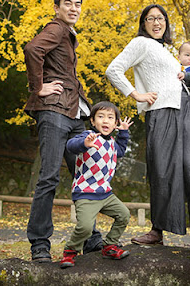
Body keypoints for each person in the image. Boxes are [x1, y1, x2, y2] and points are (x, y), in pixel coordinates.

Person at [105, 4, 190, 258]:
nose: (156, 22)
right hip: (160, 112)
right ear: (143, 23)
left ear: (166, 23)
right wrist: (137, 95)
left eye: (160, 18)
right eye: (150, 19)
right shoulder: (140, 43)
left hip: (186, 109)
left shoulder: (166, 50)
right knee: (161, 169)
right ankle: (158, 231)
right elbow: (113, 69)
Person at [23, 0, 102, 263]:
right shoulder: (56, 28)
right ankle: (40, 245)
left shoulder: (68, 35)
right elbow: (33, 49)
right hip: (54, 112)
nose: (73, 8)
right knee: (49, 178)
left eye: (78, 4)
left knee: (84, 177)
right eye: (67, 3)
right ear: (57, 8)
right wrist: (38, 87)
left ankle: (91, 238)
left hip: (73, 115)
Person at [60, 101, 133, 269]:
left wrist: (123, 133)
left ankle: (109, 246)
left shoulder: (113, 143)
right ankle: (70, 251)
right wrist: (85, 144)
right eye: (100, 117)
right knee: (85, 228)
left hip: (105, 193)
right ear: (92, 121)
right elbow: (70, 146)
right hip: (85, 192)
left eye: (110, 118)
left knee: (124, 215)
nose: (105, 121)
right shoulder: (87, 136)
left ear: (115, 124)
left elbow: (120, 151)